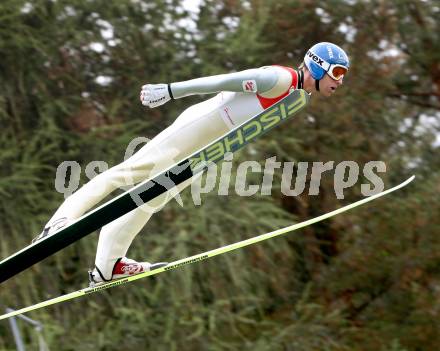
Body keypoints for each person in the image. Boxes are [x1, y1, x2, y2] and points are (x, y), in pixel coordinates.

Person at [33, 42, 350, 286]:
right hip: (200, 125)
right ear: (318, 67)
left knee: (151, 199)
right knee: (130, 172)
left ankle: (108, 266)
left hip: (211, 146)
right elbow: (224, 81)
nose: (339, 82)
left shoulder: (298, 97)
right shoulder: (279, 78)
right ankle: (59, 222)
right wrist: (172, 91)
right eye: (337, 73)